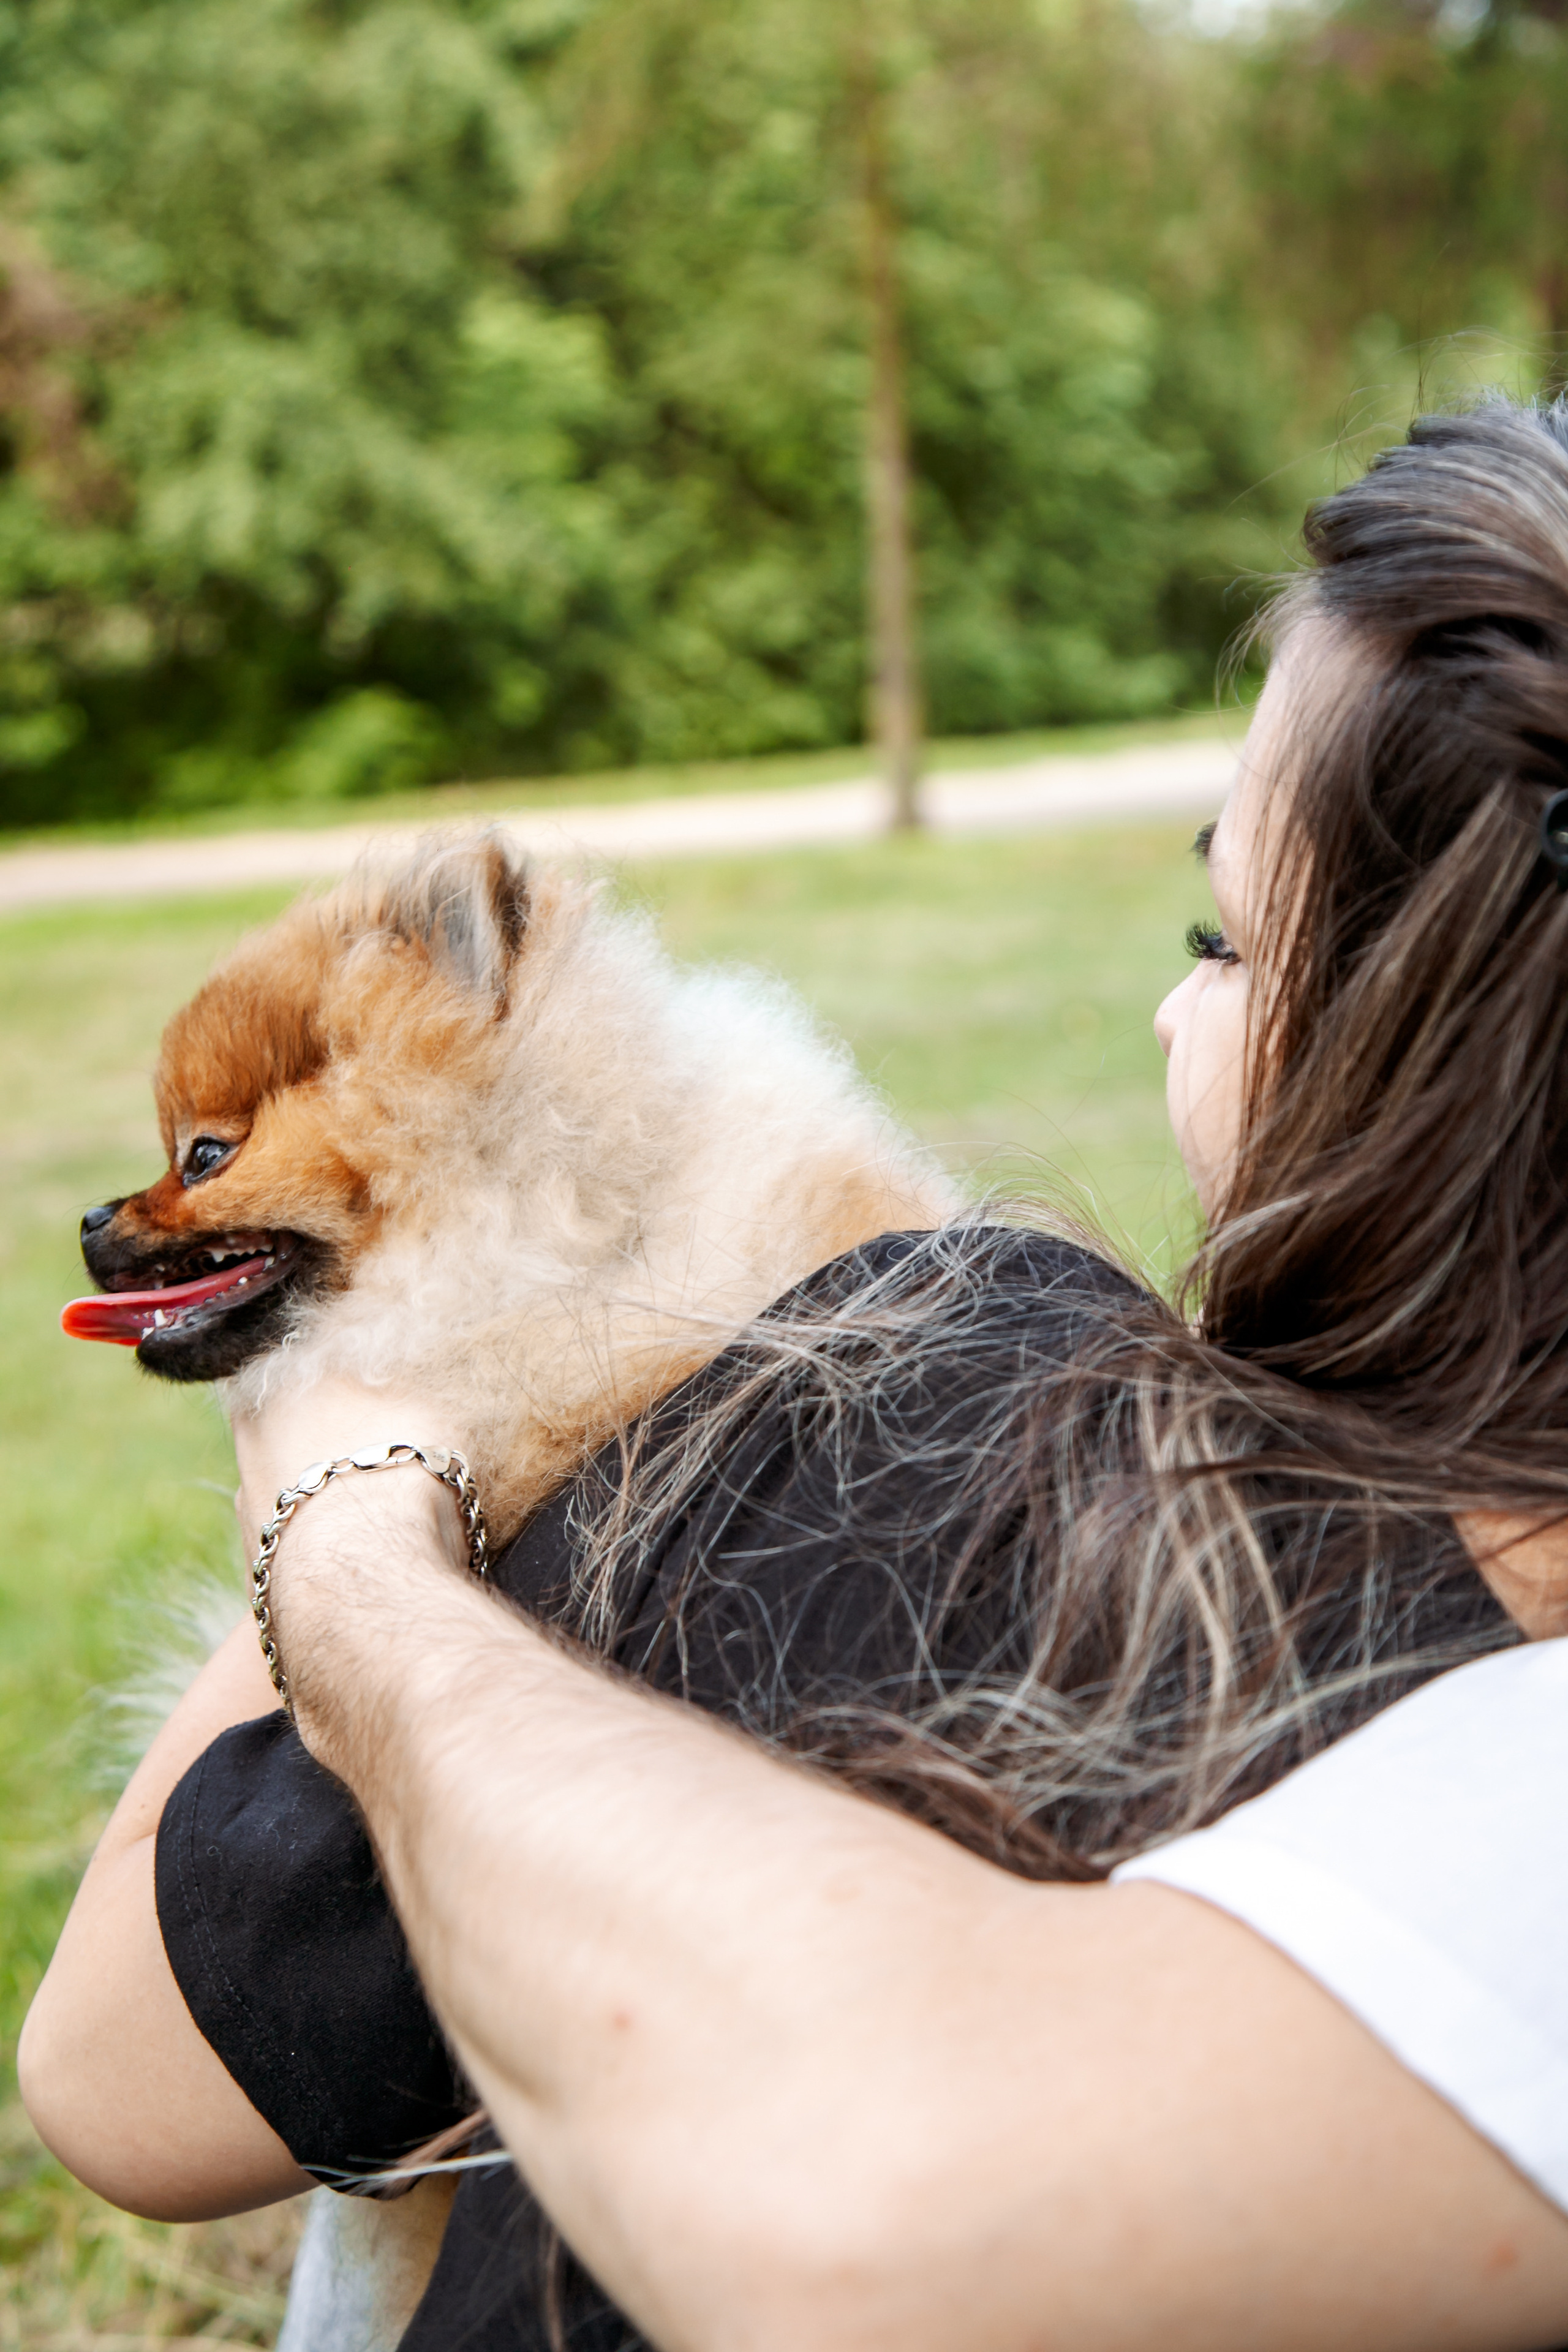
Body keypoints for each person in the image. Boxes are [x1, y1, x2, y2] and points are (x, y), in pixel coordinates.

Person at [21, 396, 1568, 2351]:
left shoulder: (914, 1402)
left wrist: (343, 1518)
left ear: (1410, 1062)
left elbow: (112, 2073)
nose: (1176, 999)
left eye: (1227, 938)